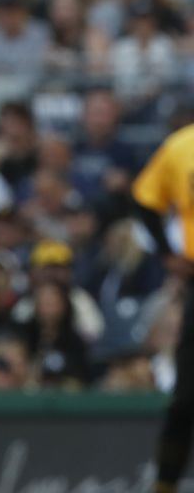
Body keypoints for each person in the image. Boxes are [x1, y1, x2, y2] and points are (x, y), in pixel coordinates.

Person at [130, 124, 194, 493]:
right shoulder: (182, 146)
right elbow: (144, 200)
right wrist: (168, 254)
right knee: (185, 399)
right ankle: (164, 485)